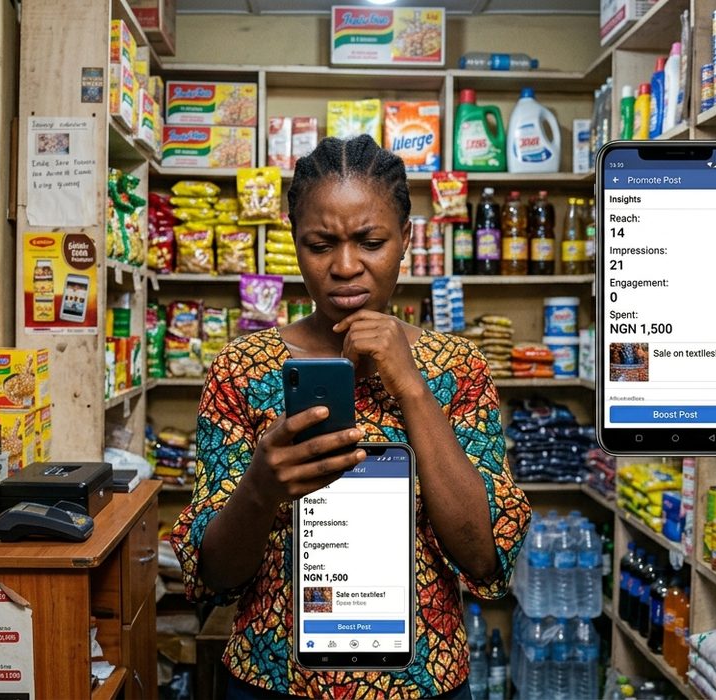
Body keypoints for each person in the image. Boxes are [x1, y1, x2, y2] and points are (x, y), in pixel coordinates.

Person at [170, 135, 531, 698]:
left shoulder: (456, 367)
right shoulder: (244, 368)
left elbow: (484, 558)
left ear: (406, 240)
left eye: (370, 241)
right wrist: (262, 488)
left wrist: (411, 385)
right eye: (320, 244)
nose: (345, 267)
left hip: (420, 682)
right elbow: (214, 577)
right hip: (274, 680)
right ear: (295, 243)